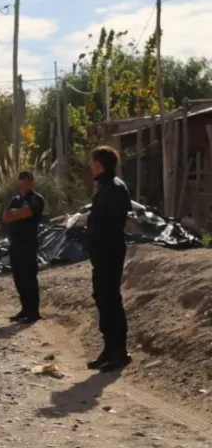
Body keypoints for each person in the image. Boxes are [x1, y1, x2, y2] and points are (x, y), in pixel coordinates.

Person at [85, 145, 133, 372]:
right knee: (102, 298)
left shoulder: (115, 188)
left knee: (111, 299)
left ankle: (120, 353)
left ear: (100, 164)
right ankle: (109, 349)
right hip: (101, 254)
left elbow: (112, 224)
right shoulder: (105, 187)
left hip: (109, 252)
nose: (90, 166)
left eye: (93, 162)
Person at [2, 170, 45, 324]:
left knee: (29, 278)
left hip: (28, 243)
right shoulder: (15, 199)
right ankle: (25, 309)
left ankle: (33, 312)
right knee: (19, 278)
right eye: (22, 180)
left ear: (32, 182)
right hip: (15, 243)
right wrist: (16, 213)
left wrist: (16, 213)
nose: (24, 183)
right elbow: (6, 217)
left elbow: (28, 213)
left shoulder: (36, 198)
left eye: (27, 180)